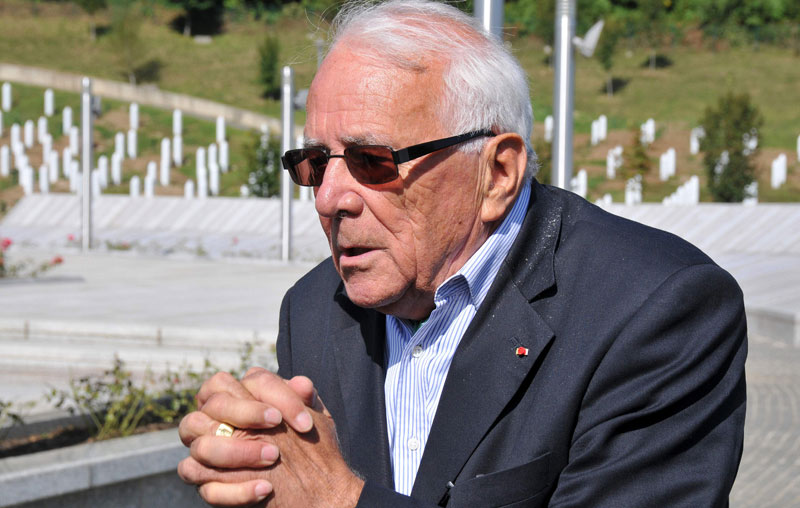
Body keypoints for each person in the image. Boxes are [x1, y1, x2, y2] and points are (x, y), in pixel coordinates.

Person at [177, 1, 747, 506]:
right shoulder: (312, 309)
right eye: (315, 163)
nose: (328, 198)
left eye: (372, 161)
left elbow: (331, 493)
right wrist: (254, 464)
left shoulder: (657, 311)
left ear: (497, 173)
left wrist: (338, 501)